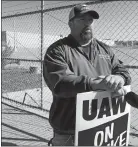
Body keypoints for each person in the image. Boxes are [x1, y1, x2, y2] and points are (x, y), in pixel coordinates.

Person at [43, 4, 131, 146]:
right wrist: (95, 83)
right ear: (70, 24)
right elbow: (60, 83)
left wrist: (119, 78)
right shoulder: (58, 50)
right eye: (82, 19)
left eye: (90, 20)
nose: (87, 23)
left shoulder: (105, 49)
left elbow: (122, 71)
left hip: (103, 127)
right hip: (69, 130)